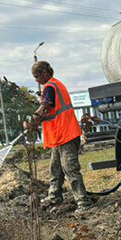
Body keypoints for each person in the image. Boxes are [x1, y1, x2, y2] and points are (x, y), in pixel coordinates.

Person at [26, 60, 91, 209]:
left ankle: (83, 201)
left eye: (37, 76)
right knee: (55, 168)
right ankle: (54, 196)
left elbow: (45, 106)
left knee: (70, 168)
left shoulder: (50, 87)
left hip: (66, 134)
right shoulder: (56, 84)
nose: (36, 80)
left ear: (45, 73)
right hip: (60, 136)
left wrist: (33, 120)